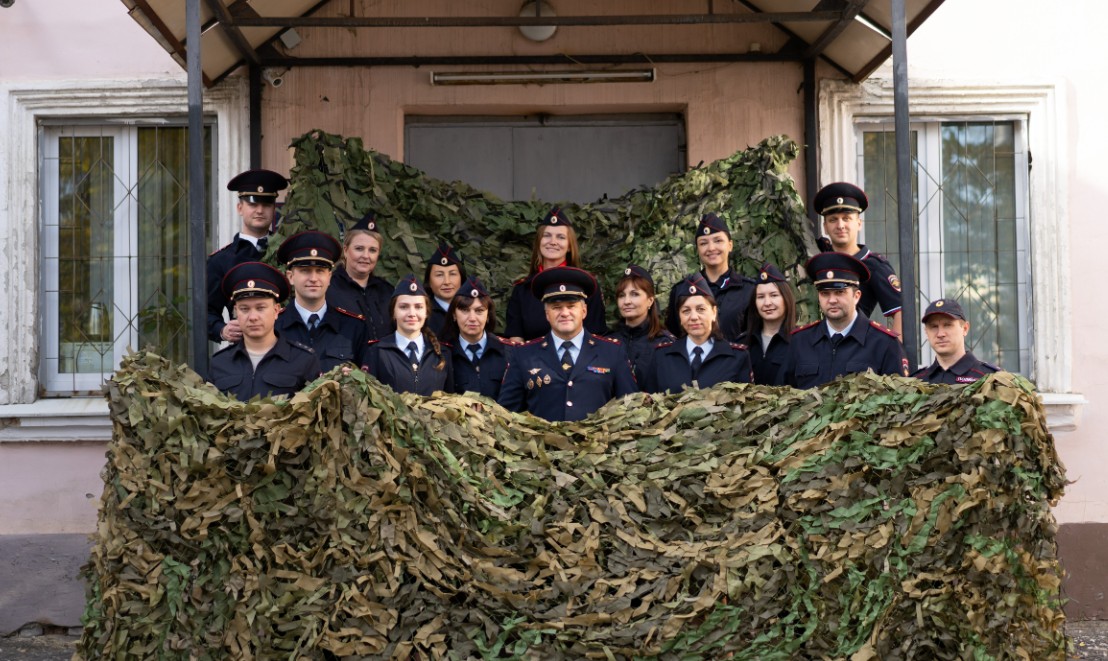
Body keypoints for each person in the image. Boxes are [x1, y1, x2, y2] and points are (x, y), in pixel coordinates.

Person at [498, 266, 637, 422]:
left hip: (599, 445)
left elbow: (629, 409)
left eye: (571, 306)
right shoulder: (523, 354)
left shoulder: (612, 352)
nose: (564, 313)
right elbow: (506, 415)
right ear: (547, 314)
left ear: (584, 311)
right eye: (556, 307)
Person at [781, 252, 909, 389]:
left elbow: (899, 402)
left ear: (857, 296)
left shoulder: (884, 344)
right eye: (825, 293)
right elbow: (783, 398)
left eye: (839, 292)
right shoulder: (800, 341)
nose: (832, 300)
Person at [207, 262, 321, 400]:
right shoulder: (220, 363)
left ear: (276, 310)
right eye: (244, 309)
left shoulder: (303, 360)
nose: (253, 317)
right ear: (236, 312)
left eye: (260, 308)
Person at [207, 168, 288, 343]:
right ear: (240, 208)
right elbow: (206, 311)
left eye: (266, 204)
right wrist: (222, 330)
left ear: (274, 209)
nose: (259, 210)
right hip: (242, 351)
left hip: (287, 347)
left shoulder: (286, 253)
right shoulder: (221, 260)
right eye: (253, 204)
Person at [814, 182, 903, 339]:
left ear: (859, 224)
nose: (840, 225)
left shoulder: (873, 265)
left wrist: (896, 354)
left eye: (847, 218)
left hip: (854, 347)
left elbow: (900, 311)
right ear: (825, 227)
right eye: (833, 219)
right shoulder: (819, 259)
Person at [504, 207, 607, 342]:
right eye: (547, 235)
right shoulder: (522, 289)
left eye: (561, 237)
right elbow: (516, 340)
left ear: (570, 246)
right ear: (539, 242)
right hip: (534, 361)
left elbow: (596, 337)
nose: (553, 241)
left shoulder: (587, 286)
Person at [274, 230, 367, 372]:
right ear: (291, 276)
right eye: (305, 270)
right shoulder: (273, 326)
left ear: (329, 276)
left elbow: (367, 383)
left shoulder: (353, 327)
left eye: (320, 271)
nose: (313, 278)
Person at [644, 273, 753, 393]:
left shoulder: (737, 357)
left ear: (714, 312)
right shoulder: (662, 356)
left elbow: (745, 405)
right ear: (679, 317)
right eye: (686, 311)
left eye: (700, 309)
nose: (694, 317)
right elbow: (652, 404)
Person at [664, 213, 756, 340]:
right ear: (697, 250)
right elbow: (673, 337)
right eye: (703, 243)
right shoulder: (681, 290)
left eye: (718, 241)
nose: (711, 248)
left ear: (730, 245)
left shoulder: (749, 290)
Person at [361, 274, 452, 396]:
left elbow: (451, 401)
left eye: (418, 307)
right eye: (404, 307)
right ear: (393, 313)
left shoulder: (442, 354)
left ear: (426, 312)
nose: (412, 313)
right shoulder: (377, 352)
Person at [441, 276, 518, 399]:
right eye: (465, 310)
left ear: (488, 315)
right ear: (454, 315)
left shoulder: (510, 352)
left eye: (479, 311)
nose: (472, 318)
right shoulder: (443, 354)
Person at [326, 212, 393, 341]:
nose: (366, 256)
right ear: (345, 250)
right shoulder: (328, 289)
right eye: (359, 249)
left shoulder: (387, 291)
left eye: (372, 250)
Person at [605, 264, 674, 384]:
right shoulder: (607, 343)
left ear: (650, 300)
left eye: (634, 294)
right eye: (622, 295)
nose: (627, 301)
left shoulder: (665, 345)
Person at [912, 298, 1001, 384]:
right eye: (934, 327)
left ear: (965, 328)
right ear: (926, 332)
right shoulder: (915, 382)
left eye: (947, 325)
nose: (940, 334)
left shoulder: (991, 379)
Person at [737, 263, 796, 386]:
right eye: (761, 297)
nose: (767, 303)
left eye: (774, 295)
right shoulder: (742, 343)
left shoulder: (800, 342)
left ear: (786, 298)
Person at [423, 243, 466, 337]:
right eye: (439, 275)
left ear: (461, 278)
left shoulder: (473, 309)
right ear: (429, 281)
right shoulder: (422, 313)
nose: (447, 282)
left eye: (452, 274)